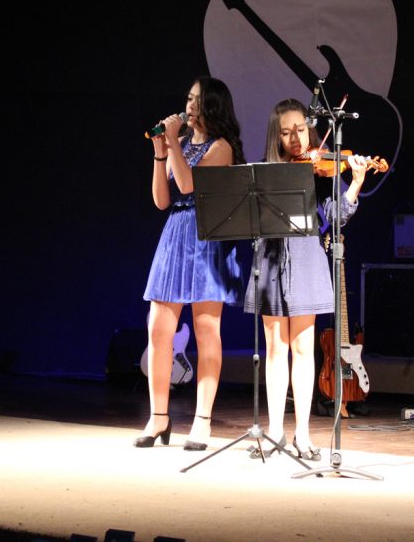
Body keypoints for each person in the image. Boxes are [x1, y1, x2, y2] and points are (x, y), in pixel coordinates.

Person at [244, 98, 368, 460]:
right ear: (276, 136)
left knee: (302, 348)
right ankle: (275, 432)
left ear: (310, 128)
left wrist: (355, 183)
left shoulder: (319, 169)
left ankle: (302, 434)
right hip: (271, 258)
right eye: (286, 132)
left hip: (307, 258)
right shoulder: (266, 172)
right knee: (275, 349)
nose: (295, 138)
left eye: (300, 129)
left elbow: (335, 216)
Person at [135, 77, 245, 450]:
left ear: (213, 105)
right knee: (158, 328)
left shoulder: (221, 147)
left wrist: (173, 144)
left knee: (206, 329)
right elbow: (162, 200)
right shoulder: (179, 144)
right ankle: (158, 417)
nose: (190, 105)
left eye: (198, 99)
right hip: (175, 236)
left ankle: (202, 421)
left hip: (205, 238)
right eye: (189, 98)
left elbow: (187, 186)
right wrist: (160, 150)